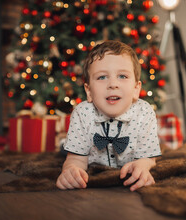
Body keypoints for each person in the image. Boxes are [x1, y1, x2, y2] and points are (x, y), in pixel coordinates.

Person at [56, 40, 161, 191]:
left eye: (122, 76)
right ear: (89, 91)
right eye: (102, 77)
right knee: (65, 150)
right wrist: (71, 170)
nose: (113, 84)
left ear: (136, 89)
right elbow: (75, 159)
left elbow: (149, 158)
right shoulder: (82, 113)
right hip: (86, 151)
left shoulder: (144, 113)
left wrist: (142, 165)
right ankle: (63, 144)